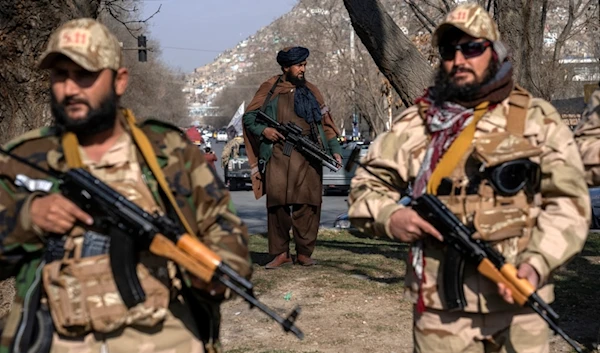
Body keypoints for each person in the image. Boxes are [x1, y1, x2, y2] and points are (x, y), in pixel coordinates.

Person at [347, 3, 590, 352]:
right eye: (449, 50)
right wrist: (391, 216)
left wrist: (537, 264)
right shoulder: (419, 124)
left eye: (472, 47)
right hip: (442, 310)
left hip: (520, 301)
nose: (459, 59)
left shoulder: (537, 120)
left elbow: (569, 203)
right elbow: (365, 189)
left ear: (494, 51)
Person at [0, 18, 251, 353]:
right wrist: (28, 216)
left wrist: (215, 272)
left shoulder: (169, 153)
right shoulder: (25, 158)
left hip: (165, 338)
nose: (70, 89)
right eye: (60, 76)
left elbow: (226, 229)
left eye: (85, 75)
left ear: (119, 81)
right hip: (57, 339)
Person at [242, 46, 342, 269]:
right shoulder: (269, 89)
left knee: (308, 205)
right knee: (277, 206)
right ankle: (280, 253)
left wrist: (334, 149)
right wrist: (264, 131)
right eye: (299, 65)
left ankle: (304, 253)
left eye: (305, 65)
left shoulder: (312, 91)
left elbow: (326, 125)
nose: (303, 69)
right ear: (286, 67)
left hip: (309, 155)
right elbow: (249, 118)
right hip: (278, 154)